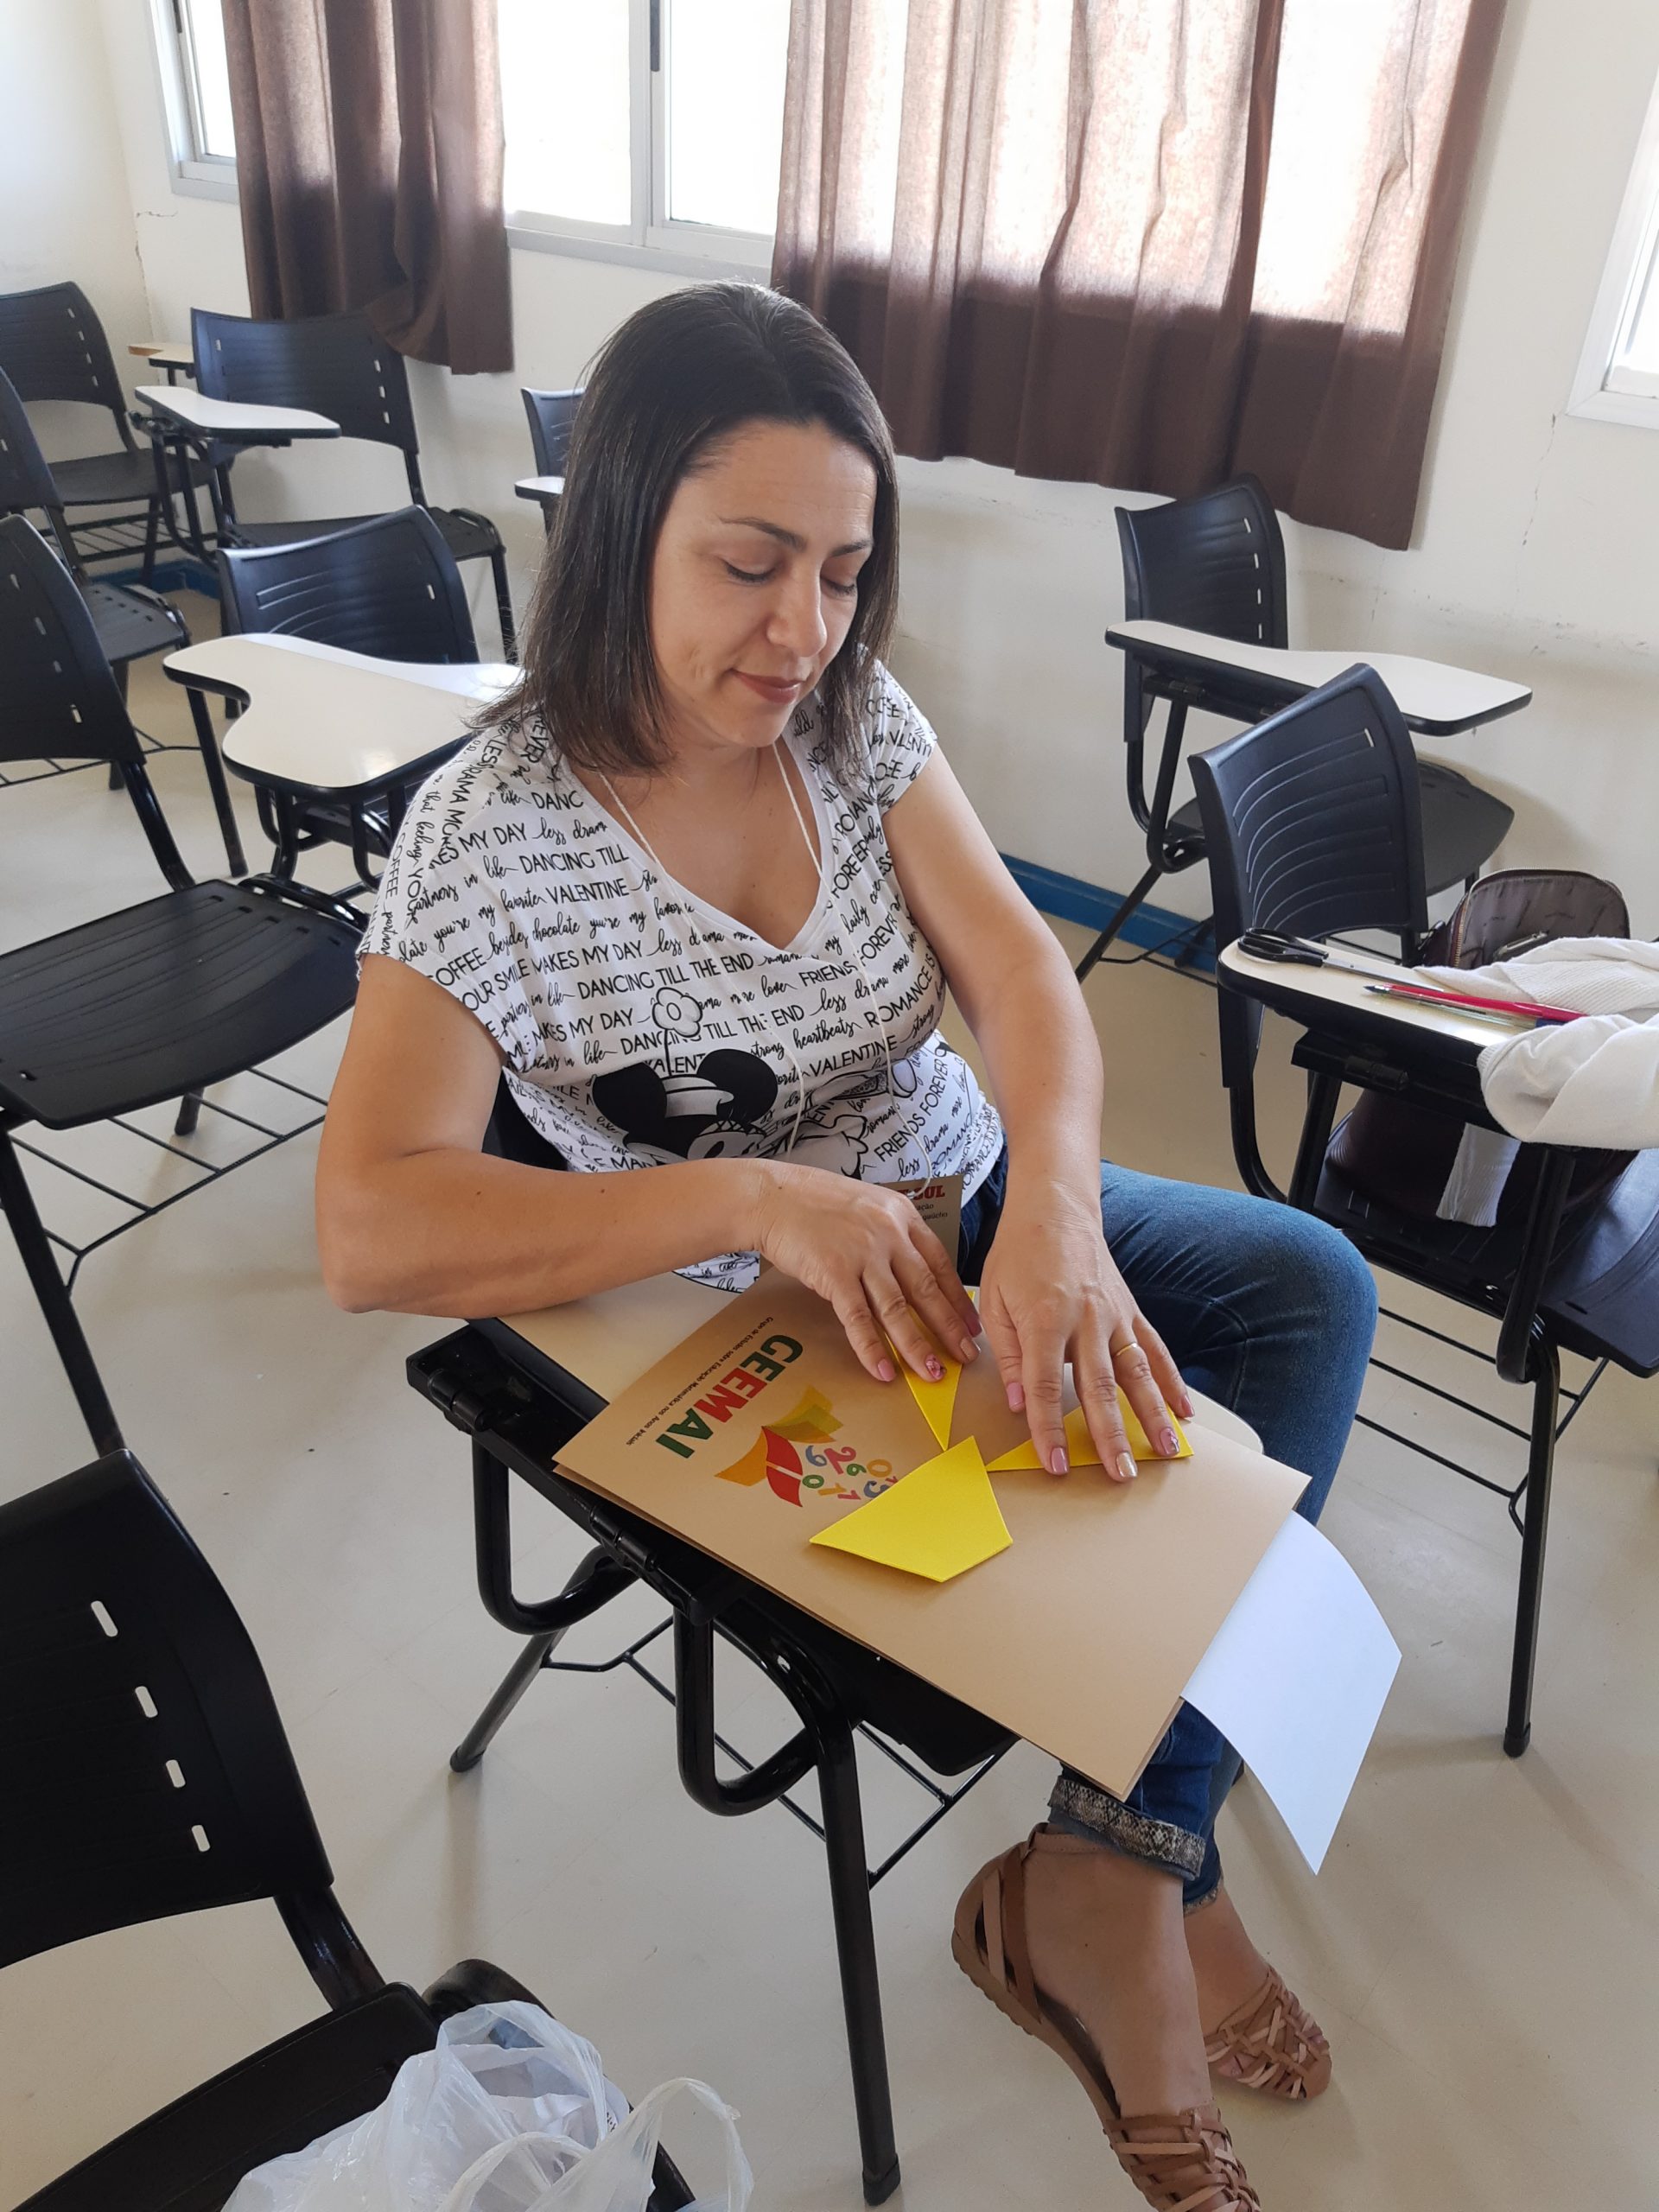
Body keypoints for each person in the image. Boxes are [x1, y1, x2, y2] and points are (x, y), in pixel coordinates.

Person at [316, 283, 1376, 2211]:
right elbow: (371, 1219)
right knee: (1101, 1548)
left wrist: (1055, 1211)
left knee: (1306, 1290)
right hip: (735, 1320)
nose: (802, 629)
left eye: (842, 570)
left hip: (957, 1211)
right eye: (749, 565)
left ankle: (1112, 1863)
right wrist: (751, 1197)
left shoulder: (852, 722)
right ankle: (1152, 1879)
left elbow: (1025, 984)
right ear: (619, 524)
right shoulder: (489, 835)